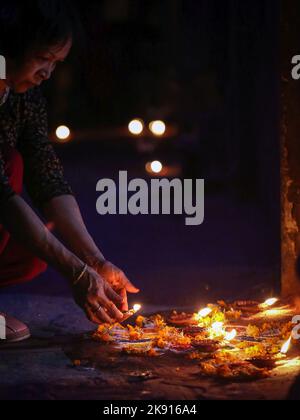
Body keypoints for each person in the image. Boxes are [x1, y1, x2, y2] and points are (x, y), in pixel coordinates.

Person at [0, 0, 139, 342]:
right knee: (11, 170)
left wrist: (93, 262)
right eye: (43, 59)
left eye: (56, 63)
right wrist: (77, 274)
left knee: (32, 254)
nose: (48, 73)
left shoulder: (24, 96)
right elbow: (0, 196)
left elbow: (47, 176)